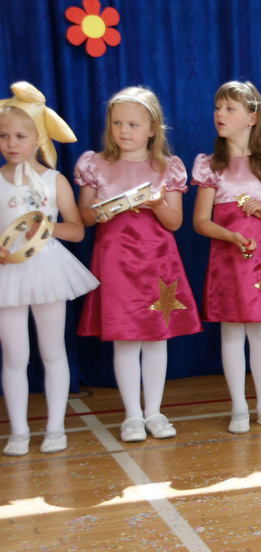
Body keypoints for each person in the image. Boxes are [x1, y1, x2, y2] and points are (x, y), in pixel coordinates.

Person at [76, 86, 201, 442]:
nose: (124, 131)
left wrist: (156, 204)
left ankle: (154, 412)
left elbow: (175, 222)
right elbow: (84, 217)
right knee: (125, 340)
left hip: (158, 264)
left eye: (133, 124)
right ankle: (132, 415)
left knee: (156, 338)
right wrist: (102, 209)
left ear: (152, 128)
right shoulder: (96, 164)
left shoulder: (167, 167)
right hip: (115, 265)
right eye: (117, 123)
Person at [192, 81, 261, 433]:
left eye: (229, 108)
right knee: (232, 333)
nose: (219, 114)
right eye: (217, 108)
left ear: (252, 118)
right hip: (229, 263)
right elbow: (201, 221)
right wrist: (231, 236)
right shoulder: (211, 166)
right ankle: (239, 408)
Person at [0, 93, 98, 456]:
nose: (11, 144)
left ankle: (55, 428)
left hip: (47, 271)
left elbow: (77, 230)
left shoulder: (54, 181)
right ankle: (19, 432)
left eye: (20, 136)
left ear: (38, 138)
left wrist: (46, 228)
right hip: (8, 273)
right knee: (14, 355)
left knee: (53, 350)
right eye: (3, 136)